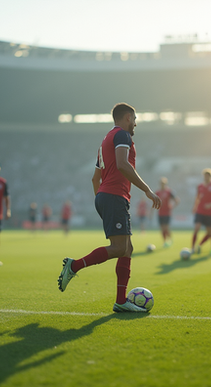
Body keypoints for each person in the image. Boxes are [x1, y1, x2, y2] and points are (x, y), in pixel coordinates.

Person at [57, 103, 161, 313]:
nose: (136, 123)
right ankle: (74, 265)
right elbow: (123, 165)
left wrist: (101, 199)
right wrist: (147, 190)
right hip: (114, 196)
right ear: (128, 118)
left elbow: (95, 178)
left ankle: (121, 301)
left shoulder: (105, 141)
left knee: (127, 249)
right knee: (119, 248)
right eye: (134, 119)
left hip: (108, 196)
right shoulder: (123, 136)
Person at [191, 168, 211, 255]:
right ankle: (192, 248)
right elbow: (197, 198)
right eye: (205, 175)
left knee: (210, 232)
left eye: (208, 176)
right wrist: (195, 207)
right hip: (200, 211)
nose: (206, 177)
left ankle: (208, 247)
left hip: (210, 212)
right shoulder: (200, 186)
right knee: (196, 228)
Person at [155, 177, 179, 247]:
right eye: (161, 183)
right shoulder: (157, 192)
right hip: (160, 213)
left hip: (167, 213)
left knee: (166, 228)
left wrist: (172, 206)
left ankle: (170, 239)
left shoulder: (169, 192)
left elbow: (177, 200)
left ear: (166, 184)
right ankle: (165, 241)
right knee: (162, 229)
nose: (162, 185)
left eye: (163, 183)